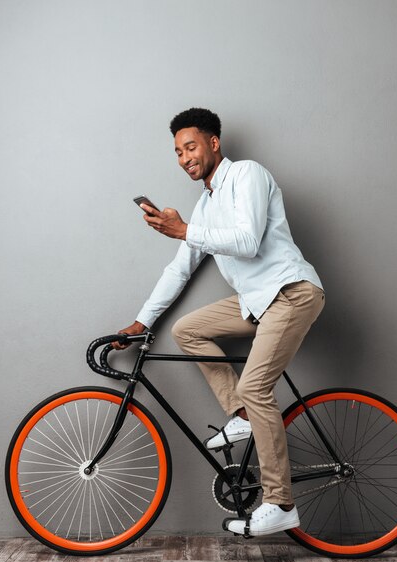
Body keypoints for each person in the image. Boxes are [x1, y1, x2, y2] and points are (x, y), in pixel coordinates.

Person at [113, 107, 325, 536]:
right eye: (177, 152)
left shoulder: (248, 174)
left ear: (213, 143)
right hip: (257, 302)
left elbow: (247, 241)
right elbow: (179, 269)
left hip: (291, 293)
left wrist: (184, 230)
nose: (184, 157)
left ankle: (281, 502)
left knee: (255, 383)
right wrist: (140, 321)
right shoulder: (204, 205)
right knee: (187, 329)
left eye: (190, 146)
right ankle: (243, 416)